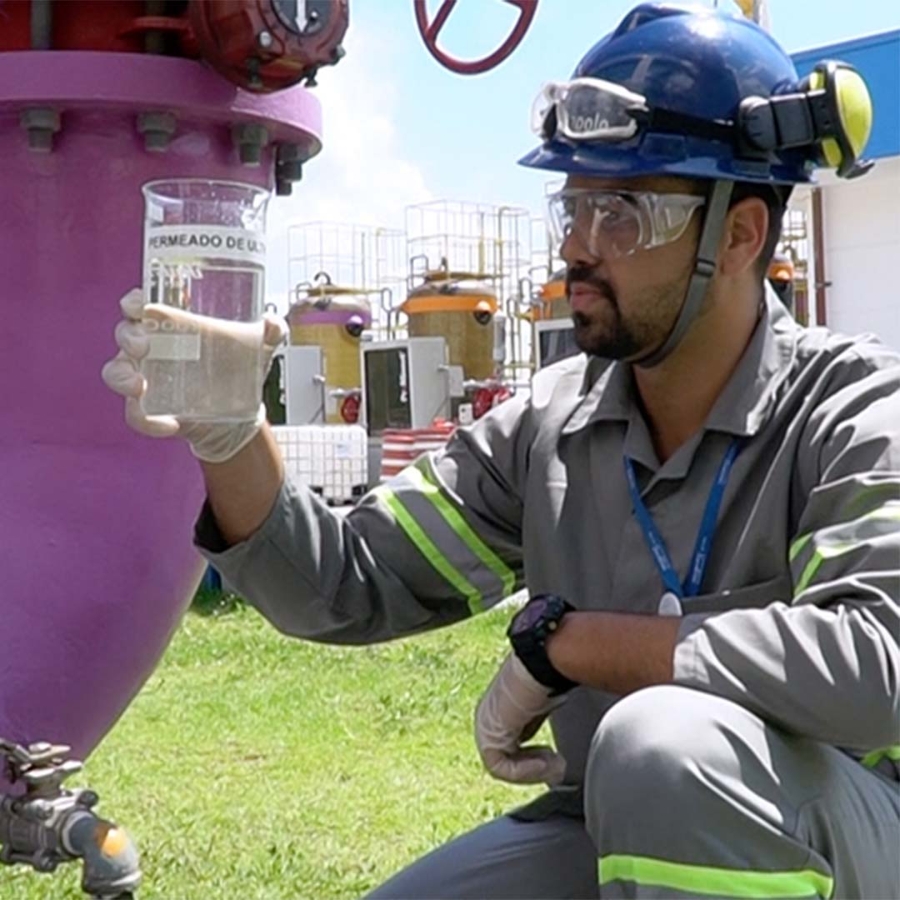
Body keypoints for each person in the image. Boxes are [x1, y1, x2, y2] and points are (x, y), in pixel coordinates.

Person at [102, 4, 900, 898]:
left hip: (844, 838)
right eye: (574, 206)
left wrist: (575, 647)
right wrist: (233, 428)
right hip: (611, 813)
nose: (574, 248)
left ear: (743, 233)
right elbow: (348, 584)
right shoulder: (552, 429)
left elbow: (880, 665)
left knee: (665, 750)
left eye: (622, 214)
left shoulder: (854, 410)